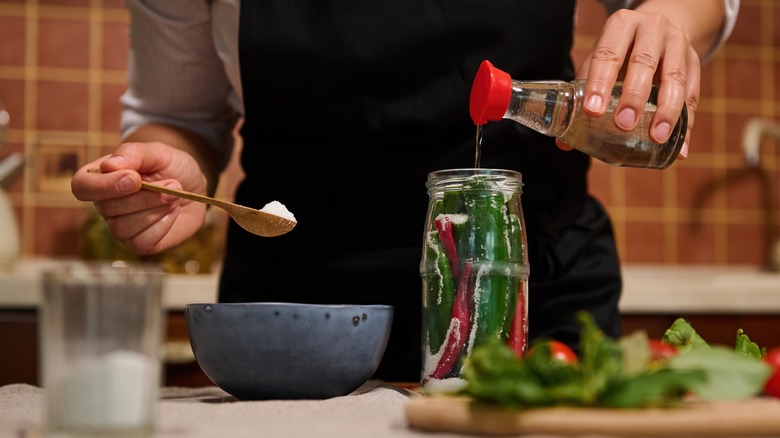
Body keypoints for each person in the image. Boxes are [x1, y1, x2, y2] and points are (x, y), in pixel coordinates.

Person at [72, 0, 739, 382]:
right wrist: (178, 161)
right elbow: (183, 114)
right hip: (299, 320)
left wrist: (669, 18)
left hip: (529, 303)